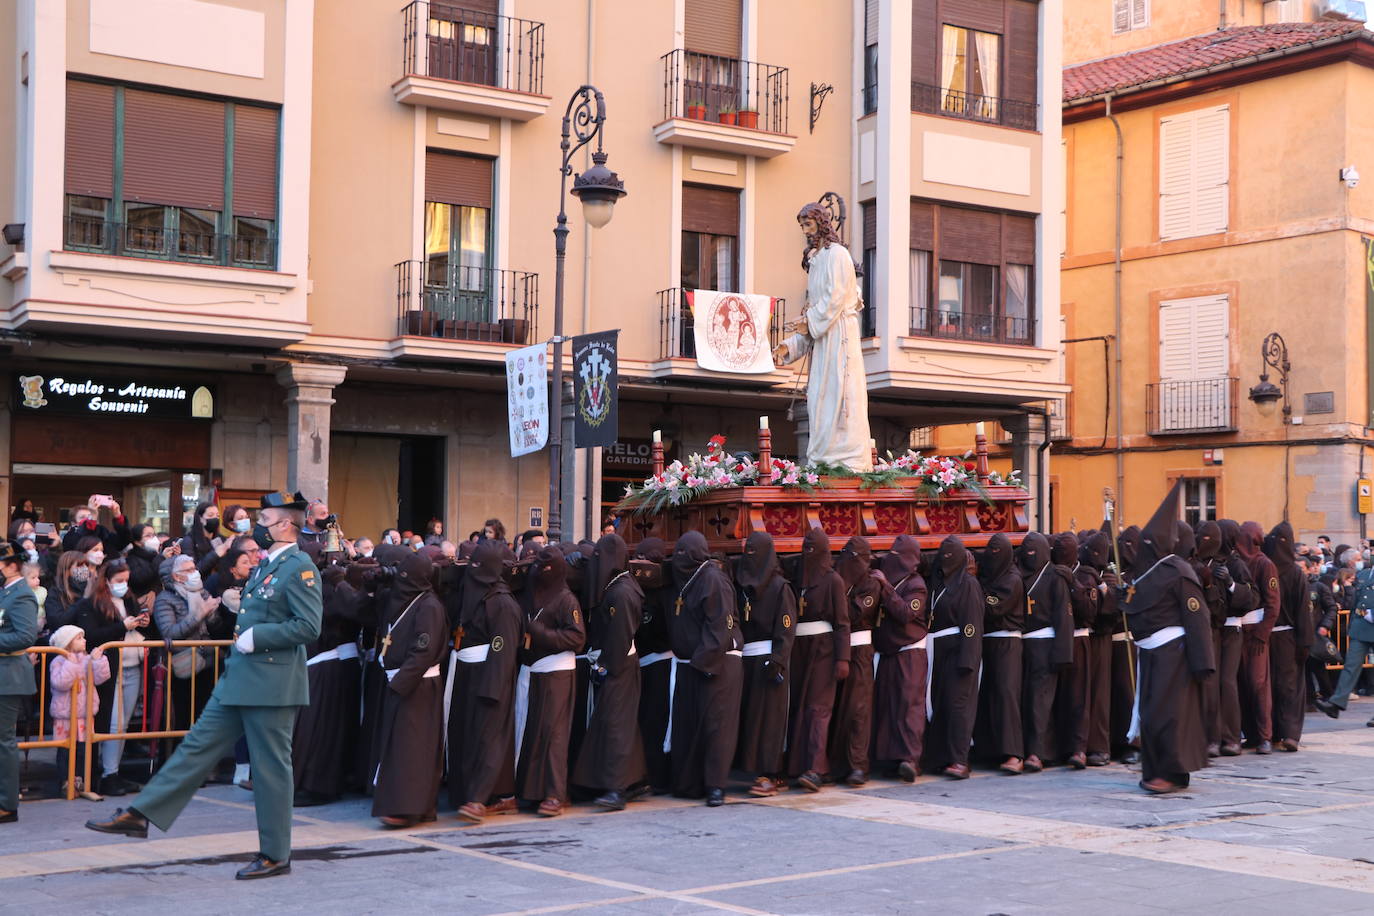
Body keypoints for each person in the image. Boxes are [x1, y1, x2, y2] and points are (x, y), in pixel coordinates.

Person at [87, 491, 324, 881]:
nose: (256, 527)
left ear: (284, 525)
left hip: (272, 682)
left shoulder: (300, 568)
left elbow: (307, 626)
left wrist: (258, 637)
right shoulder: (266, 566)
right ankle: (141, 813)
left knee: (270, 769)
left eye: (263, 520)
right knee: (196, 746)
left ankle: (276, 853)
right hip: (241, 675)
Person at [1121, 483, 1214, 794]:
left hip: (1173, 654)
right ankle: (1158, 769)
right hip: (1150, 653)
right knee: (1150, 713)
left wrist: (1203, 663)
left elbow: (1197, 618)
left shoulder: (1179, 572)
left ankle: (1171, 772)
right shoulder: (1148, 569)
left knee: (1168, 715)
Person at [771, 202, 872, 471]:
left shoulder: (837, 254)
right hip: (825, 338)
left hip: (840, 338)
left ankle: (846, 461)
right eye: (802, 226)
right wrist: (788, 346)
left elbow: (835, 299)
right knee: (819, 398)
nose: (805, 231)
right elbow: (814, 317)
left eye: (808, 224)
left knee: (840, 396)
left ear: (821, 222)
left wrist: (809, 321)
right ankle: (822, 461)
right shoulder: (817, 260)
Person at [371, 552, 447, 828]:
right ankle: (408, 804)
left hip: (417, 685)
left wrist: (401, 682)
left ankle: (410, 807)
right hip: (401, 682)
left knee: (413, 748)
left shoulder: (429, 606)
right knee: (400, 746)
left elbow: (423, 651)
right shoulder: (406, 601)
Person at [667, 531, 742, 807]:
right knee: (691, 726)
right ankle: (691, 782)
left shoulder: (713, 579)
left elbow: (720, 626)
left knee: (716, 727)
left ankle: (716, 786)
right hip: (692, 664)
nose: (678, 558)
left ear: (698, 553)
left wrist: (701, 662)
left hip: (717, 663)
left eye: (684, 552)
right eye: (677, 552)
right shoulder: (685, 577)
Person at [573, 533, 648, 810]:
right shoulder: (618, 586)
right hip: (619, 663)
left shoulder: (621, 592)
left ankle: (616, 788)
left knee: (615, 725)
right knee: (622, 724)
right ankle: (634, 780)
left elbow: (620, 637)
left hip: (619, 665)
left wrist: (605, 667)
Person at [453, 541, 522, 823]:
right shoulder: (473, 594)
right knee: (469, 738)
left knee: (488, 739)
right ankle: (475, 793)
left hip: (489, 679)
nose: (473, 571)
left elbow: (502, 649)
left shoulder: (503, 604)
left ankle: (479, 799)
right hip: (467, 674)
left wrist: (492, 688)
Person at [293, 560, 372, 807]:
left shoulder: (337, 593)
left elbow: (353, 611)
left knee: (323, 730)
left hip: (329, 664)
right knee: (318, 729)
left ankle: (318, 784)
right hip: (324, 663)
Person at [71, 560, 152, 796]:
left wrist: (143, 623)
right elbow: (93, 635)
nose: (123, 586)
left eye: (126, 581)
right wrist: (122, 627)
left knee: (123, 723)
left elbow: (139, 629)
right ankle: (107, 774)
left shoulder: (129, 599)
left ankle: (112, 772)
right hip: (109, 668)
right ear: (106, 581)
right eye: (119, 581)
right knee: (113, 722)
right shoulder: (92, 603)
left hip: (132, 665)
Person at [514, 547, 585, 817]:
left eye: (547, 568)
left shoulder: (567, 600)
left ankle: (555, 793)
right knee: (532, 731)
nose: (540, 573)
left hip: (556, 671)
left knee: (554, 734)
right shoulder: (530, 594)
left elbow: (576, 638)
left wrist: (540, 633)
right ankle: (532, 791)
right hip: (532, 670)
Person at [786, 527, 850, 792]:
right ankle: (800, 766)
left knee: (818, 709)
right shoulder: (797, 575)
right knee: (799, 708)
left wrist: (842, 658)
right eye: (805, 548)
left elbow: (842, 623)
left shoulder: (833, 580)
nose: (808, 553)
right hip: (799, 649)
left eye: (813, 549)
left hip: (823, 649)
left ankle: (816, 768)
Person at [732, 531, 796, 798]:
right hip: (744, 660)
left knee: (769, 720)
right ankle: (748, 768)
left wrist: (779, 660)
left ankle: (770, 773)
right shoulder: (738, 585)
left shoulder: (780, 587)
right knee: (749, 718)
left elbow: (787, 627)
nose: (751, 558)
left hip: (769, 661)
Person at [921, 536, 983, 779]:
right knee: (940, 703)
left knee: (959, 705)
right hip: (938, 649)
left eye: (951, 554)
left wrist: (968, 658)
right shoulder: (938, 583)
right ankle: (940, 757)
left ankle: (960, 759)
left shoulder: (968, 584)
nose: (946, 559)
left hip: (959, 650)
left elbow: (972, 624)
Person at [871, 534, 928, 782]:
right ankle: (891, 758)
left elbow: (905, 613)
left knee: (909, 707)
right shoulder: (892, 578)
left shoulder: (916, 585)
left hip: (910, 651)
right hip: (888, 651)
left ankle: (910, 759)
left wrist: (885, 587)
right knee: (888, 706)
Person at [154, 554, 227, 736]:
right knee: (184, 718)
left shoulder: (201, 592)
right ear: (176, 576)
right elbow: (170, 633)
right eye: (189, 570)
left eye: (194, 568)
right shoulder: (165, 599)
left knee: (207, 715)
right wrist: (199, 615)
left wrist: (212, 615)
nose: (195, 573)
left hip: (209, 662)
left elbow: (216, 627)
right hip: (184, 665)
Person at [1017, 532, 1072, 773]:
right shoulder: (1018, 575)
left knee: (1040, 702)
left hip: (1046, 645)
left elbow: (1063, 616)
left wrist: (1063, 652)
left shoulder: (1054, 577)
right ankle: (1033, 749)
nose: (1030, 555)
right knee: (1026, 700)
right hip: (1023, 645)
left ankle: (1037, 753)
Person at [974, 532, 1025, 774]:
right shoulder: (986, 575)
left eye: (997, 552)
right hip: (986, 642)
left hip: (1007, 643)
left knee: (1006, 696)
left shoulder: (1012, 580)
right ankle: (989, 750)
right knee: (987, 695)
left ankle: (1014, 753)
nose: (992, 557)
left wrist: (975, 591)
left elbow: (993, 608)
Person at [830, 536, 878, 786]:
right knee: (837, 707)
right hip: (836, 648)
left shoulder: (871, 583)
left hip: (859, 649)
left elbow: (854, 613)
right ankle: (836, 763)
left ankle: (858, 765)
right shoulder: (834, 578)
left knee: (858, 709)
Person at [1263, 522, 1312, 752]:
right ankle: (1290, 733)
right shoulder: (1295, 573)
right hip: (1287, 638)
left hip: (1267, 635)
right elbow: (1303, 612)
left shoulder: (1264, 568)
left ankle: (1274, 732)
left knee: (1271, 685)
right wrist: (1305, 643)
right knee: (1289, 687)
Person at [48, 624, 111, 799]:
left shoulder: (87, 659)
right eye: (79, 638)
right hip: (65, 715)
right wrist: (71, 663)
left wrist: (99, 661)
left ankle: (82, 781)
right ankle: (65, 782)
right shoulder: (58, 661)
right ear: (67, 643)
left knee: (84, 750)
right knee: (65, 750)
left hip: (85, 713)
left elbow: (100, 678)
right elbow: (61, 682)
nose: (84, 640)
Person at [0, 543, 39, 824]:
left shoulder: (22, 595)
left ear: (12, 565)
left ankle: (6, 803)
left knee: (4, 743)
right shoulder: (7, 593)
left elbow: (25, 637)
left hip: (9, 676)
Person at [632, 538, 674, 793]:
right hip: (643, 663)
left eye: (643, 557)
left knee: (656, 722)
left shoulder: (664, 591)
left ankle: (658, 777)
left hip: (660, 663)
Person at [1235, 520, 1279, 754]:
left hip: (1256, 632)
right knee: (1241, 684)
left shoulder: (1264, 564)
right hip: (1238, 630)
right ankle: (1251, 734)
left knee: (1258, 683)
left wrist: (1262, 634)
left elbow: (1273, 603)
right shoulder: (1235, 561)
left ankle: (1264, 736)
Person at [1315, 551, 1374, 723]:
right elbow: (1357, 600)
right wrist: (1353, 623)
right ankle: (1336, 704)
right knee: (1350, 666)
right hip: (1361, 627)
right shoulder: (1363, 574)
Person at [1052, 531, 1093, 769]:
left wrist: (1074, 584)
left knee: (1078, 697)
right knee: (1059, 697)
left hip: (1078, 640)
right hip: (1055, 640)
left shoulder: (1085, 575)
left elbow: (1090, 610)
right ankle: (1060, 746)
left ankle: (1079, 749)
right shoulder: (1051, 572)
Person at [1304, 554, 1338, 703]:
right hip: (1298, 633)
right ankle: (1309, 698)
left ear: (1309, 569)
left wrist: (1325, 625)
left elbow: (1331, 608)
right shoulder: (1291, 585)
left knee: (1317, 666)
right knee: (1302, 669)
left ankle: (1328, 694)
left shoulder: (1319, 587)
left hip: (1315, 632)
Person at [62, 500, 131, 555]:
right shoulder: (70, 537)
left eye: (90, 515)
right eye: (82, 517)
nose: (88, 519)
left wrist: (118, 516)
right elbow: (85, 543)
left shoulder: (102, 531)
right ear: (73, 523)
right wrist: (91, 520)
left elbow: (122, 543)